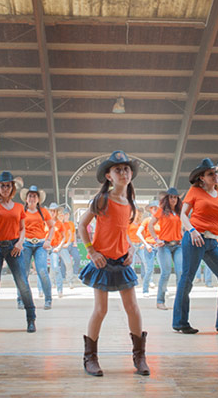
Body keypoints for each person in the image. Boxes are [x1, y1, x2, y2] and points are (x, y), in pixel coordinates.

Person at [78, 150, 149, 376]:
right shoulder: (102, 200)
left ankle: (140, 357)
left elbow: (122, 232)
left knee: (133, 308)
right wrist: (91, 251)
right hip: (102, 263)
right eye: (117, 170)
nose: (123, 173)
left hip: (122, 261)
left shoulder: (129, 202)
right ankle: (90, 358)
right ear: (108, 176)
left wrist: (131, 249)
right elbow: (81, 225)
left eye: (126, 169)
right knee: (101, 309)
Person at [172, 158, 218, 335]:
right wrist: (192, 230)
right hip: (195, 238)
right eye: (211, 174)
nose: (215, 176)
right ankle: (180, 322)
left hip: (212, 242)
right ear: (202, 178)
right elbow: (183, 215)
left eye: (216, 173)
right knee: (187, 278)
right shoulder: (194, 191)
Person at [0, 172, 36, 333]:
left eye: (8, 185)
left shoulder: (19, 207)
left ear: (12, 188)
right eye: (2, 185)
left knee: (23, 284)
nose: (5, 188)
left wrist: (20, 242)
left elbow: (22, 228)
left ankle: (31, 319)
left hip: (14, 247)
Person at [19, 185, 55, 310]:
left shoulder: (44, 211)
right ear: (26, 199)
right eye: (30, 196)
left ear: (38, 199)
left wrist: (48, 240)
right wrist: (19, 242)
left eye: (34, 196)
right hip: (26, 244)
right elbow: (16, 227)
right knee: (24, 272)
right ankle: (21, 299)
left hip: (40, 244)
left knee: (42, 271)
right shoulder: (21, 211)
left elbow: (51, 227)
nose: (32, 198)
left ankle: (48, 299)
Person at [148, 187, 183, 310]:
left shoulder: (179, 211)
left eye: (175, 197)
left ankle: (180, 301)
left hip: (178, 245)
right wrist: (157, 240)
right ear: (167, 198)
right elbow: (150, 225)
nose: (173, 199)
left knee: (180, 273)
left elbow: (182, 226)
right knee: (166, 273)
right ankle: (160, 301)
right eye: (171, 197)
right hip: (165, 246)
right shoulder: (161, 211)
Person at [136, 201, 159, 297]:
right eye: (153, 208)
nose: (155, 210)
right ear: (150, 210)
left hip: (160, 247)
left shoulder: (162, 220)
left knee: (164, 269)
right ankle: (145, 289)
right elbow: (138, 233)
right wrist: (145, 244)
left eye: (157, 208)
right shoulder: (146, 220)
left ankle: (163, 289)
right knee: (149, 269)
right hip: (149, 246)